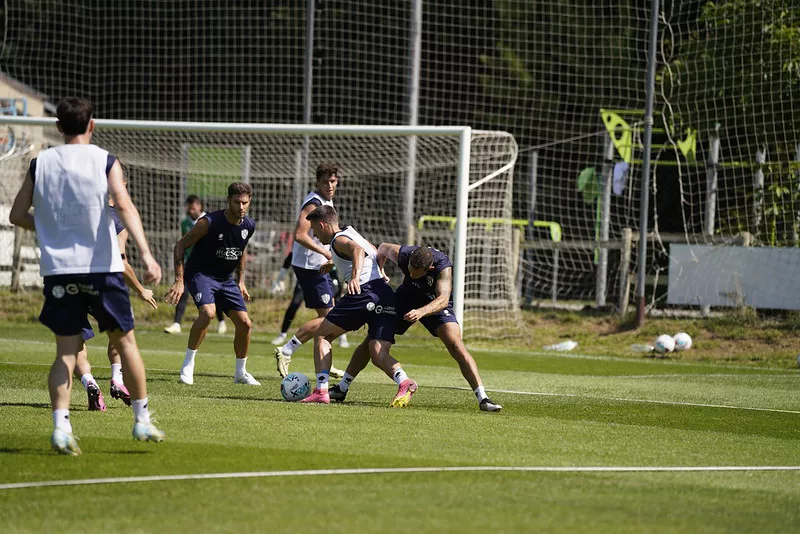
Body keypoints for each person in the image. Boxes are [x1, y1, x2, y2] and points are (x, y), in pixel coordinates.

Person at [9, 97, 165, 455]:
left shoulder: (40, 163)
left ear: (59, 127)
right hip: (103, 268)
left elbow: (17, 215)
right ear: (91, 125)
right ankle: (141, 421)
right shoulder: (105, 159)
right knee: (126, 345)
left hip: (60, 271)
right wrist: (145, 253)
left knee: (66, 352)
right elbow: (123, 205)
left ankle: (61, 428)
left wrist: (50, 231)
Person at [330, 243, 502, 412]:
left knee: (456, 346)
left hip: (435, 304)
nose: (411, 275)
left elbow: (442, 299)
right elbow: (381, 248)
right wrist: (381, 271)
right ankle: (342, 388)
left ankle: (483, 398)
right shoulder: (404, 254)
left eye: (416, 274)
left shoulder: (443, 267)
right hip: (405, 299)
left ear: (429, 268)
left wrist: (421, 312)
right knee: (373, 340)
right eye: (409, 271)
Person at [300, 206, 417, 407]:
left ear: (322, 224)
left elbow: (357, 251)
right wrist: (377, 270)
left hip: (363, 294)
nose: (316, 236)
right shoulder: (351, 232)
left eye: (315, 231)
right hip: (385, 294)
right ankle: (404, 381)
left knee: (322, 335)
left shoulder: (338, 240)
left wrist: (354, 276)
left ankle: (321, 391)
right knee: (376, 352)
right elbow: (374, 251)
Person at [74, 187, 159, 411]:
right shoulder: (119, 219)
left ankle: (89, 382)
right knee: (121, 336)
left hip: (69, 284)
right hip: (102, 286)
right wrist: (141, 290)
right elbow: (121, 262)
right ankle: (117, 380)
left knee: (74, 345)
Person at [166, 182, 259, 386]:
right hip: (201, 274)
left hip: (226, 279)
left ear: (249, 202)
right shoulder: (208, 222)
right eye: (237, 202)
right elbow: (180, 245)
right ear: (228, 201)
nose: (241, 207)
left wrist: (241, 281)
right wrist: (179, 281)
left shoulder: (249, 225)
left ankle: (240, 373)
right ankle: (188, 364)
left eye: (245, 203)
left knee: (245, 323)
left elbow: (241, 250)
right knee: (208, 313)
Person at [274, 163, 346, 378]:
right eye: (326, 182)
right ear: (317, 182)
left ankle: (325, 361)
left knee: (330, 319)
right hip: (310, 267)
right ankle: (286, 349)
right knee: (332, 318)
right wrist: (325, 253)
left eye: (333, 181)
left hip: (317, 266)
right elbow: (300, 234)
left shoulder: (327, 201)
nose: (330, 185)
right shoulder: (313, 202)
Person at [164, 195, 227, 335]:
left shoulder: (209, 221)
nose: (191, 211)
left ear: (200, 206)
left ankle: (221, 321)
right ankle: (177, 323)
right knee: (183, 291)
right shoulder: (185, 223)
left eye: (193, 208)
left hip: (208, 265)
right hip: (190, 264)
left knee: (214, 294)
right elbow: (184, 243)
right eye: (189, 208)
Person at [270, 250, 350, 349]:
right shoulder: (308, 247)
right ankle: (283, 337)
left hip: (328, 280)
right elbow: (290, 256)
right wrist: (279, 280)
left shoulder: (334, 246)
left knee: (333, 310)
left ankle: (342, 337)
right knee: (295, 304)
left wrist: (350, 280)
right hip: (309, 278)